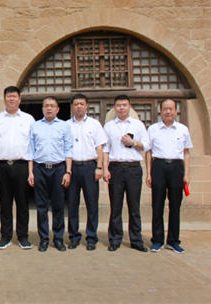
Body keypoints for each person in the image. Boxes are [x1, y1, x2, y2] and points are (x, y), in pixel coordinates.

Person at [103, 94, 150, 252]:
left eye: (124, 105)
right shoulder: (109, 126)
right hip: (115, 168)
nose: (121, 108)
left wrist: (133, 142)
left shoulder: (138, 125)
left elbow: (146, 145)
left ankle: (136, 240)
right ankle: (115, 239)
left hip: (133, 169)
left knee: (134, 207)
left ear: (129, 107)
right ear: (114, 108)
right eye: (118, 105)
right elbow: (105, 149)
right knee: (115, 206)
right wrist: (105, 169)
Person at [0, 86, 35, 250]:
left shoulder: (28, 119)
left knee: (23, 203)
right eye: (9, 96)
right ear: (4, 99)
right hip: (2, 166)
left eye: (14, 96)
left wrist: (31, 170)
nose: (11, 99)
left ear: (19, 99)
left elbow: (32, 146)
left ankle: (23, 237)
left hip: (21, 165)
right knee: (5, 202)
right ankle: (6, 236)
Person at [146, 98, 193, 254]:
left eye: (171, 109)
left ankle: (173, 241)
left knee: (175, 206)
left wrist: (186, 174)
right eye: (165, 109)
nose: (168, 112)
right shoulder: (153, 129)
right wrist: (149, 173)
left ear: (176, 111)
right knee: (157, 205)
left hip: (176, 167)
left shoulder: (183, 129)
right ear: (160, 111)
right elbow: (148, 152)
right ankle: (157, 240)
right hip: (158, 166)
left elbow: (186, 153)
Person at [28, 96, 73, 252]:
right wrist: (30, 172)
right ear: (42, 109)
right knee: (41, 206)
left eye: (52, 106)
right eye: (46, 105)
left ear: (57, 109)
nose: (49, 108)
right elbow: (30, 151)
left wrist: (68, 171)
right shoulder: (35, 126)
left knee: (58, 205)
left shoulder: (64, 126)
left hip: (58, 168)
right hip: (40, 168)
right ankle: (44, 239)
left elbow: (68, 150)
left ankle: (58, 239)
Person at [66, 94, 107, 251]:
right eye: (76, 104)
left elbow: (99, 147)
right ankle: (74, 236)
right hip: (72, 167)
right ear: (72, 106)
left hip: (90, 167)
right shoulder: (66, 125)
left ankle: (91, 237)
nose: (79, 106)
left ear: (86, 105)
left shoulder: (94, 124)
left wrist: (99, 167)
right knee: (72, 204)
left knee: (92, 204)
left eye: (81, 104)